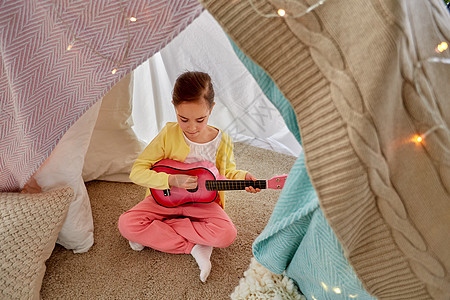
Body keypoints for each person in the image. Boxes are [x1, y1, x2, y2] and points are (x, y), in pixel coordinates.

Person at [118, 71, 260, 283]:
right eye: (183, 119)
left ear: (211, 109)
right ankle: (193, 246)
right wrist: (170, 180)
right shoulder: (168, 134)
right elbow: (137, 170)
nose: (192, 127)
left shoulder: (222, 140)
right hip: (165, 200)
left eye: (200, 119)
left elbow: (227, 173)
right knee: (126, 224)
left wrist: (244, 176)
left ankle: (158, 232)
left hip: (203, 203)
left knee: (226, 234)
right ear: (174, 108)